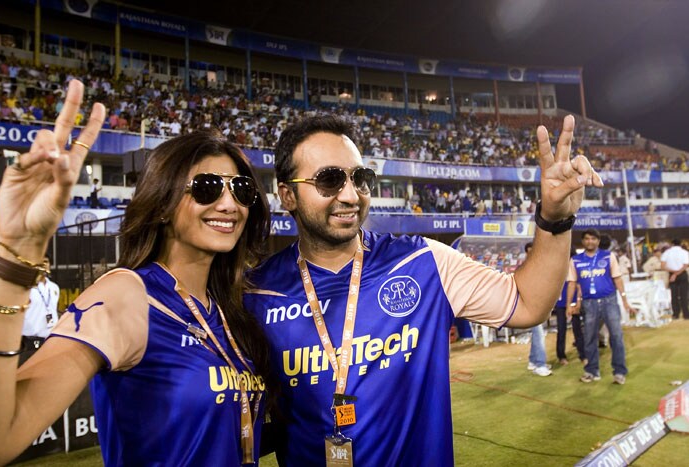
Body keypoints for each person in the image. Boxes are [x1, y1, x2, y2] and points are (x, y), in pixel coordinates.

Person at [244, 114, 602, 465]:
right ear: (287, 196)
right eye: (330, 180)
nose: (351, 195)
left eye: (361, 178)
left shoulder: (424, 261)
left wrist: (554, 220)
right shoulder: (256, 294)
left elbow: (528, 304)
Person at [0, 80, 273, 466]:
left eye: (241, 190)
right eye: (207, 188)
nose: (229, 204)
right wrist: (13, 256)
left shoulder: (228, 310)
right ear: (161, 204)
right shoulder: (127, 293)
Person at [567, 228, 633, 385]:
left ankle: (619, 372)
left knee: (616, 336)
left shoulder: (609, 256)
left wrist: (624, 300)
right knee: (589, 338)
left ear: (598, 241)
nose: (590, 241)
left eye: (593, 239)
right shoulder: (575, 260)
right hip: (589, 304)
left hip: (609, 301)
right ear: (583, 241)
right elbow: (572, 283)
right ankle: (591, 371)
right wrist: (570, 304)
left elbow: (617, 279)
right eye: (587, 239)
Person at [524, 242, 552, 376]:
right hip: (529, 308)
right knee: (539, 334)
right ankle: (540, 364)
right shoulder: (523, 269)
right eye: (529, 252)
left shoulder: (539, 267)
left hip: (539, 306)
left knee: (537, 334)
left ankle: (533, 361)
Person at [554, 248, 585, 366]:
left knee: (578, 330)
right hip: (561, 304)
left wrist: (578, 302)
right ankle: (561, 356)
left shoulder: (576, 268)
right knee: (561, 330)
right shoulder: (557, 269)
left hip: (573, 304)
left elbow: (579, 287)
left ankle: (583, 354)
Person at [20, 271, 60, 362]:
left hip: (49, 340)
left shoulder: (54, 287)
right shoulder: (26, 288)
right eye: (43, 261)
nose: (45, 266)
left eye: (47, 262)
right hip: (27, 339)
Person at [661, 238, 689, 320]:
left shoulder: (667, 253)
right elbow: (686, 265)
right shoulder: (685, 252)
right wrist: (677, 273)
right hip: (682, 274)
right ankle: (686, 314)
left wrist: (673, 273)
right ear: (680, 244)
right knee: (684, 295)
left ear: (672, 244)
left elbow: (662, 266)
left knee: (674, 295)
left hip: (671, 274)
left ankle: (675, 314)